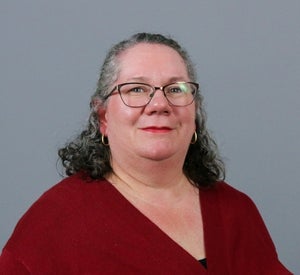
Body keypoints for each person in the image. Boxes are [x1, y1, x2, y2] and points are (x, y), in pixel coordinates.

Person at [0, 32, 292, 274]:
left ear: (195, 112)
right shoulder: (54, 224)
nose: (159, 104)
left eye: (175, 89)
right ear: (103, 117)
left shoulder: (235, 210)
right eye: (137, 89)